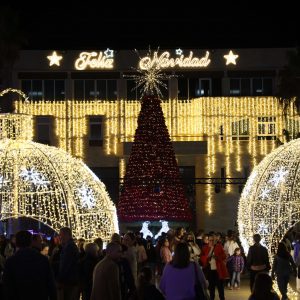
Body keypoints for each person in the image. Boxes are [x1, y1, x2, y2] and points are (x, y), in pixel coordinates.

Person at [2, 230, 57, 300]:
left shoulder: (10, 262)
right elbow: (50, 284)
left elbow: (7, 287)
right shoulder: (42, 259)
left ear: (16, 243)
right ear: (31, 242)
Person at [57, 227, 80, 300]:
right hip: (70, 281)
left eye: (61, 235)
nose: (59, 237)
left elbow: (65, 265)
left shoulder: (69, 247)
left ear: (67, 235)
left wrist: (60, 280)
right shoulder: (68, 246)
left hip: (69, 282)